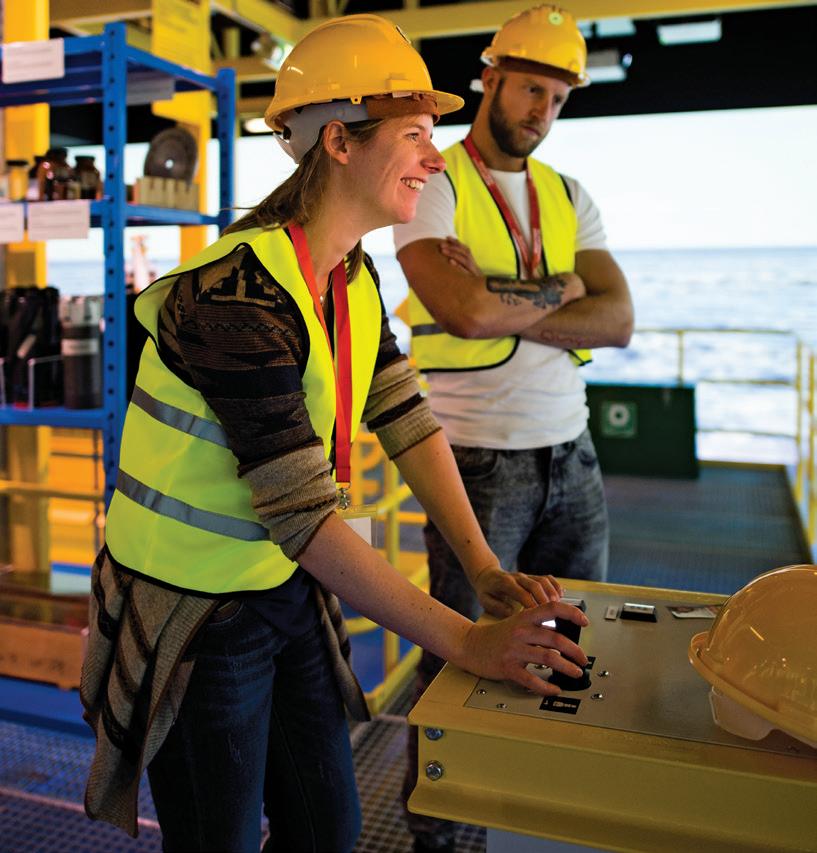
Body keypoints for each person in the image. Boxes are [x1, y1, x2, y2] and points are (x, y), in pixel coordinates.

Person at [79, 14, 590, 853]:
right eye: (415, 134)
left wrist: (483, 569)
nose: (435, 158)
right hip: (197, 613)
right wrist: (469, 639)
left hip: (284, 586)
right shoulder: (232, 297)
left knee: (328, 828)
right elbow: (302, 515)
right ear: (339, 142)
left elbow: (404, 415)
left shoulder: (350, 273)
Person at [393, 5, 634, 850]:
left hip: (573, 455)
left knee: (575, 641)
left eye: (557, 98)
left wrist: (503, 298)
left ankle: (539, 808)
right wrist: (562, 288)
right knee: (458, 656)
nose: (542, 110)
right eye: (530, 88)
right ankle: (438, 835)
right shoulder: (436, 184)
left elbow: (618, 319)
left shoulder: (569, 195)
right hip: (474, 460)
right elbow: (459, 312)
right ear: (490, 78)